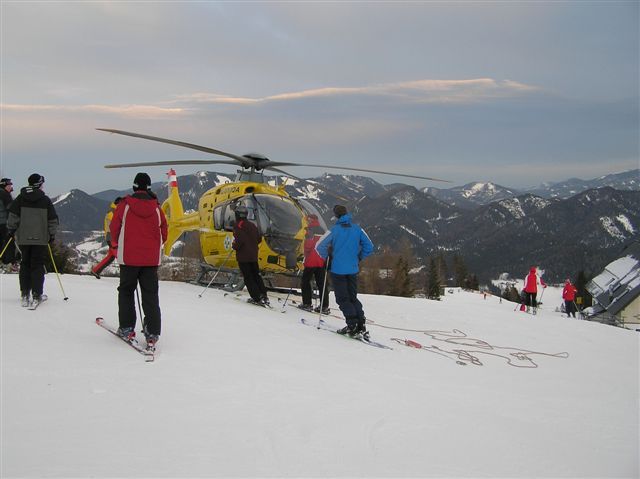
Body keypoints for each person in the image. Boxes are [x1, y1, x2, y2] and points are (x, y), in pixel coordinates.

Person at [110, 173, 167, 347]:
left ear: (134, 187)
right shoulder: (157, 208)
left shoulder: (125, 205)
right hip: (150, 260)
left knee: (126, 291)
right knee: (150, 294)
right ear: (149, 188)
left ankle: (127, 328)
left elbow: (114, 227)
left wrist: (116, 244)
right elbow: (164, 231)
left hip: (128, 258)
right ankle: (153, 332)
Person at [316, 205, 373, 336]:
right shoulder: (358, 229)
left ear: (336, 216)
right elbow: (369, 246)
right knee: (352, 297)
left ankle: (352, 324)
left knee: (343, 298)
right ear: (347, 214)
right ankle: (361, 323)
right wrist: (359, 257)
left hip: (337, 270)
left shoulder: (334, 230)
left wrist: (327, 257)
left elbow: (319, 246)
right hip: (352, 269)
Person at [6, 174, 59, 307]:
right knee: (37, 265)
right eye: (42, 184)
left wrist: (11, 230)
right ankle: (37, 294)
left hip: (23, 237)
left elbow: (13, 216)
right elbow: (52, 219)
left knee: (25, 263)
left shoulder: (20, 198)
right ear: (39, 184)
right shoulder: (45, 200)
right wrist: (51, 235)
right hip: (40, 238)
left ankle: (25, 293)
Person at [232, 204, 269, 306]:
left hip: (243, 256)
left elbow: (239, 240)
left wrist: (234, 245)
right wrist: (251, 244)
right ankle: (263, 295)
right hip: (253, 255)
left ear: (237, 215)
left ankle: (256, 297)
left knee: (248, 277)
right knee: (256, 275)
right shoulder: (252, 225)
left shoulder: (238, 225)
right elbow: (259, 238)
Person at [298, 214, 330, 313]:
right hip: (321, 260)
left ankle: (307, 303)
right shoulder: (323, 230)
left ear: (310, 220)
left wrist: (304, 253)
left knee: (305, 281)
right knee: (322, 283)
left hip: (311, 260)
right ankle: (324, 306)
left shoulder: (310, 230)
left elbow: (308, 246)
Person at [91, 197, 122, 278]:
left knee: (110, 257)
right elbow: (113, 227)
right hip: (112, 239)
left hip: (111, 238)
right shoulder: (113, 213)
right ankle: (126, 276)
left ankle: (96, 270)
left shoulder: (113, 211)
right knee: (120, 258)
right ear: (119, 204)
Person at [0, 177, 18, 272]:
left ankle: (3, 262)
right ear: (5, 185)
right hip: (4, 223)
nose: (11, 186)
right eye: (9, 184)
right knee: (9, 243)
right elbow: (11, 208)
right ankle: (9, 263)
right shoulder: (4, 194)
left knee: (2, 242)